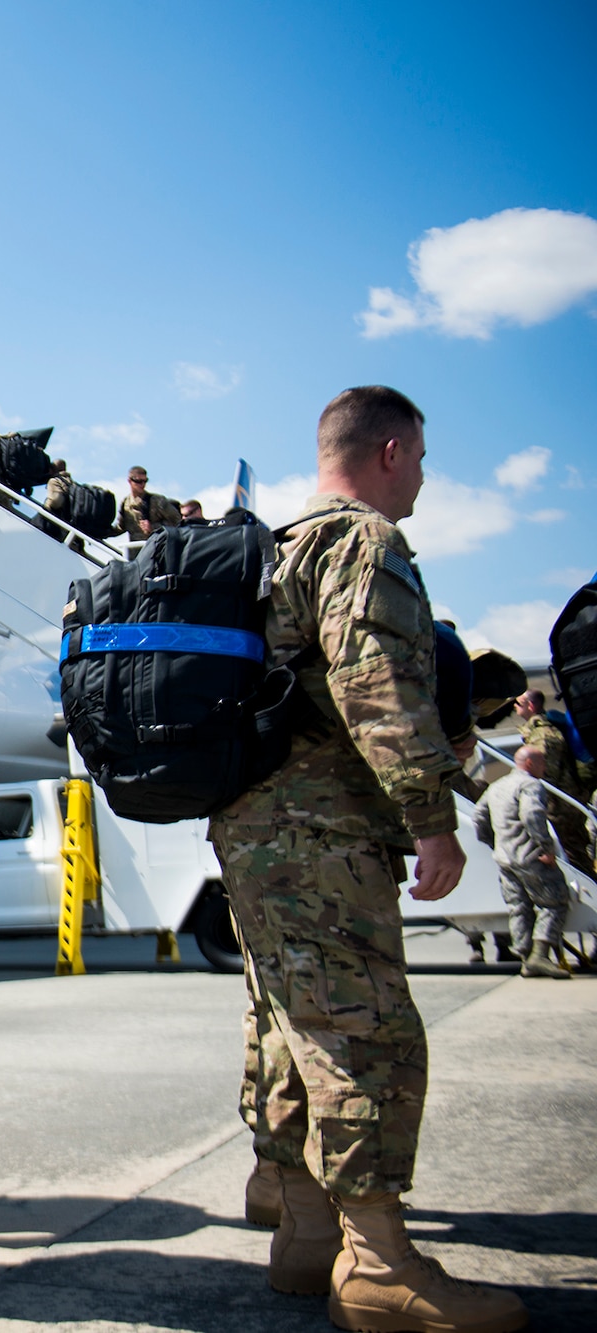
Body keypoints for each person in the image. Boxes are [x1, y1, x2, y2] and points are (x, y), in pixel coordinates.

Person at [207, 386, 525, 1329]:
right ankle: (381, 1261)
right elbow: (377, 684)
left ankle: (306, 1235)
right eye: (420, 458)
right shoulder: (361, 543)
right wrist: (432, 817)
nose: (423, 477)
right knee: (367, 1035)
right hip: (326, 831)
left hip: (257, 829)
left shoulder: (273, 551)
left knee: (290, 1025)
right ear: (388, 451)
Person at [473, 746, 574, 979]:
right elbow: (531, 815)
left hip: (504, 857)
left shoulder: (496, 786)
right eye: (542, 763)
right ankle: (540, 955)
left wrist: (493, 842)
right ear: (529, 763)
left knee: (518, 907)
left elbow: (479, 816)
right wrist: (546, 848)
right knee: (554, 902)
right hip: (529, 856)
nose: (545, 768)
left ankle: (525, 958)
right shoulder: (530, 785)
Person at [513, 690, 594, 878]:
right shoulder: (542, 730)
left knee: (572, 854)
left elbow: (544, 775)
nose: (514, 707)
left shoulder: (542, 735)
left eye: (517, 703)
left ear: (531, 706)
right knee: (575, 850)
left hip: (559, 807)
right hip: (566, 802)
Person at [117, 466, 182, 537]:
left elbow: (179, 522)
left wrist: (154, 527)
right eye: (138, 481)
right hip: (135, 546)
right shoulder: (125, 503)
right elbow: (120, 528)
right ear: (129, 481)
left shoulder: (157, 501)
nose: (143, 484)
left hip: (156, 545)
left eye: (145, 481)